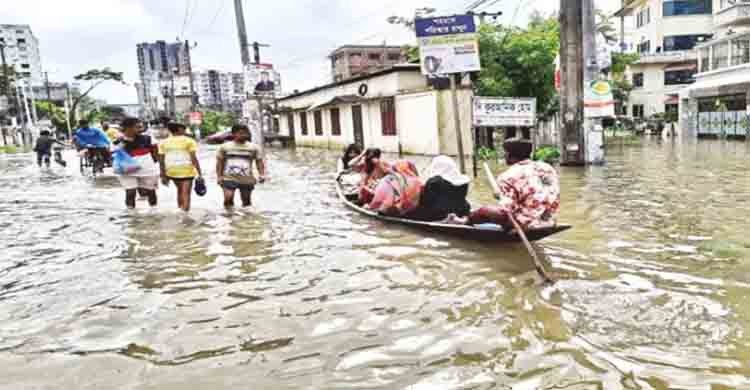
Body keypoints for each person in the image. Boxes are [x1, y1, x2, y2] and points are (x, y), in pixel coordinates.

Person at [467, 139, 560, 230]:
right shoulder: (547, 167)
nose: (504, 155)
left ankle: (464, 221)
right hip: (549, 219)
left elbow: (507, 210)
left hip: (525, 223)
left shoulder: (507, 176)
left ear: (509, 155)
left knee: (484, 210)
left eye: (505, 153)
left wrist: (499, 196)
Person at [216, 124, 266, 208]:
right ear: (233, 134)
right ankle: (229, 216)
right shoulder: (225, 147)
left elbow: (259, 162)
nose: (244, 135)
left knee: (246, 201)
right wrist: (219, 176)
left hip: (247, 178)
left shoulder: (254, 147)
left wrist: (261, 174)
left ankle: (246, 219)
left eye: (245, 133)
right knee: (228, 198)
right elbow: (220, 162)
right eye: (241, 133)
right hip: (228, 177)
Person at [409, 156, 471, 222]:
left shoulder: (434, 182)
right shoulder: (462, 183)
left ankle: (447, 219)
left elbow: (427, 201)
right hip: (458, 211)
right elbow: (463, 202)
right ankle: (461, 219)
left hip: (437, 214)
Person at [158, 122, 203, 212]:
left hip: (171, 171)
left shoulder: (163, 142)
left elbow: (161, 161)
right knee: (186, 193)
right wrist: (199, 172)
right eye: (184, 128)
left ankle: (180, 210)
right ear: (179, 129)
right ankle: (185, 215)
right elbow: (193, 158)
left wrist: (163, 175)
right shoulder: (189, 141)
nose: (185, 131)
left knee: (179, 191)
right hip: (186, 170)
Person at [115, 117, 159, 208]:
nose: (140, 129)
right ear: (128, 128)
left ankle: (153, 211)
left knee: (150, 191)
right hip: (126, 170)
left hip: (148, 170)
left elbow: (156, 153)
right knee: (130, 192)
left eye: (140, 127)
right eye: (137, 127)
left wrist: (155, 164)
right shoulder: (118, 141)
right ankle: (131, 214)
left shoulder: (148, 139)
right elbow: (113, 153)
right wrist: (122, 143)